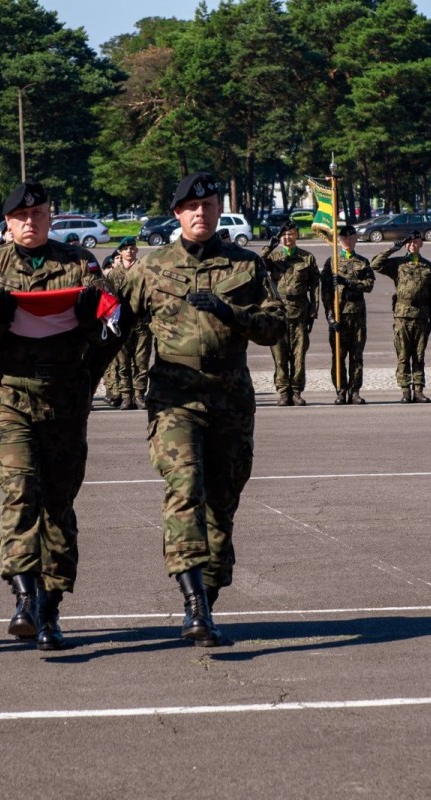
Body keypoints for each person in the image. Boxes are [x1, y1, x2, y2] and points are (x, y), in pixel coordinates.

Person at [116, 171, 284, 647]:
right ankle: (193, 604)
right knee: (185, 485)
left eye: (209, 206)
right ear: (177, 214)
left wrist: (232, 313)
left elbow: (276, 327)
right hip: (174, 395)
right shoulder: (150, 269)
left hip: (230, 395)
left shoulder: (247, 266)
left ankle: (207, 599)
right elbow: (112, 326)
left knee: (222, 502)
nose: (201, 213)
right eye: (192, 207)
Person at [0, 180, 113, 651]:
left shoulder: (78, 263)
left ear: (51, 217)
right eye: (21, 217)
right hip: (10, 392)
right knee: (21, 488)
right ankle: (23, 597)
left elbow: (110, 328)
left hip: (65, 396)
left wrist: (91, 315)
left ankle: (50, 611)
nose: (30, 223)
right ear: (7, 223)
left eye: (39, 215)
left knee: (58, 505)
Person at [372, 230, 431, 403]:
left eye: (416, 242)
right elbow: (376, 264)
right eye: (409, 243)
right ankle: (405, 391)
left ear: (421, 244)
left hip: (421, 315)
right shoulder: (398, 263)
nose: (413, 245)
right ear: (406, 245)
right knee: (403, 355)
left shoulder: (427, 266)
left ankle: (418, 389)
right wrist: (393, 248)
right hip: (402, 316)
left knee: (419, 355)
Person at [319, 224, 375, 404]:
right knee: (338, 356)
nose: (348, 241)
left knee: (356, 356)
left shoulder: (362, 262)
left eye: (351, 238)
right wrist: (329, 315)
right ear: (339, 240)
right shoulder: (332, 262)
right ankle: (341, 390)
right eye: (344, 238)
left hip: (357, 316)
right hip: (338, 316)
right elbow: (325, 292)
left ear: (356, 239)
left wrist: (348, 282)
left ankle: (355, 391)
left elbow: (369, 285)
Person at [265, 222, 318, 405]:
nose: (287, 238)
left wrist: (313, 312)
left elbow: (315, 287)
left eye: (291, 234)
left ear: (297, 235)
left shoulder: (307, 258)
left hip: (300, 314)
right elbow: (256, 265)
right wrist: (270, 245)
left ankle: (296, 391)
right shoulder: (273, 257)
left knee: (298, 356)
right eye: (284, 235)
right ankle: (283, 392)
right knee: (279, 356)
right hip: (278, 315)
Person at [105, 236, 150, 410]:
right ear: (120, 252)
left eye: (132, 248)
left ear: (136, 250)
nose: (129, 251)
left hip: (141, 322)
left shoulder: (143, 270)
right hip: (121, 323)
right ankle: (126, 396)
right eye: (126, 249)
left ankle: (139, 395)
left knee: (141, 361)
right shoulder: (114, 274)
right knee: (122, 362)